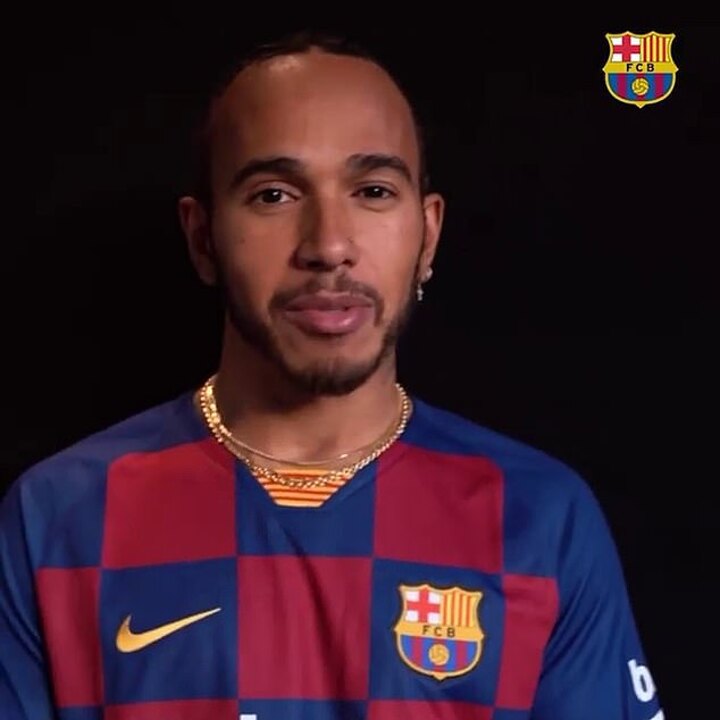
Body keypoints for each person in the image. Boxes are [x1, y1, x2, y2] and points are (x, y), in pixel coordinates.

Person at [0, 30, 664, 720]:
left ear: (428, 236)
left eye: (373, 190)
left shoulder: (538, 516)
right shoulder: (57, 516)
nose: (329, 245)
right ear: (202, 239)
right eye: (274, 195)